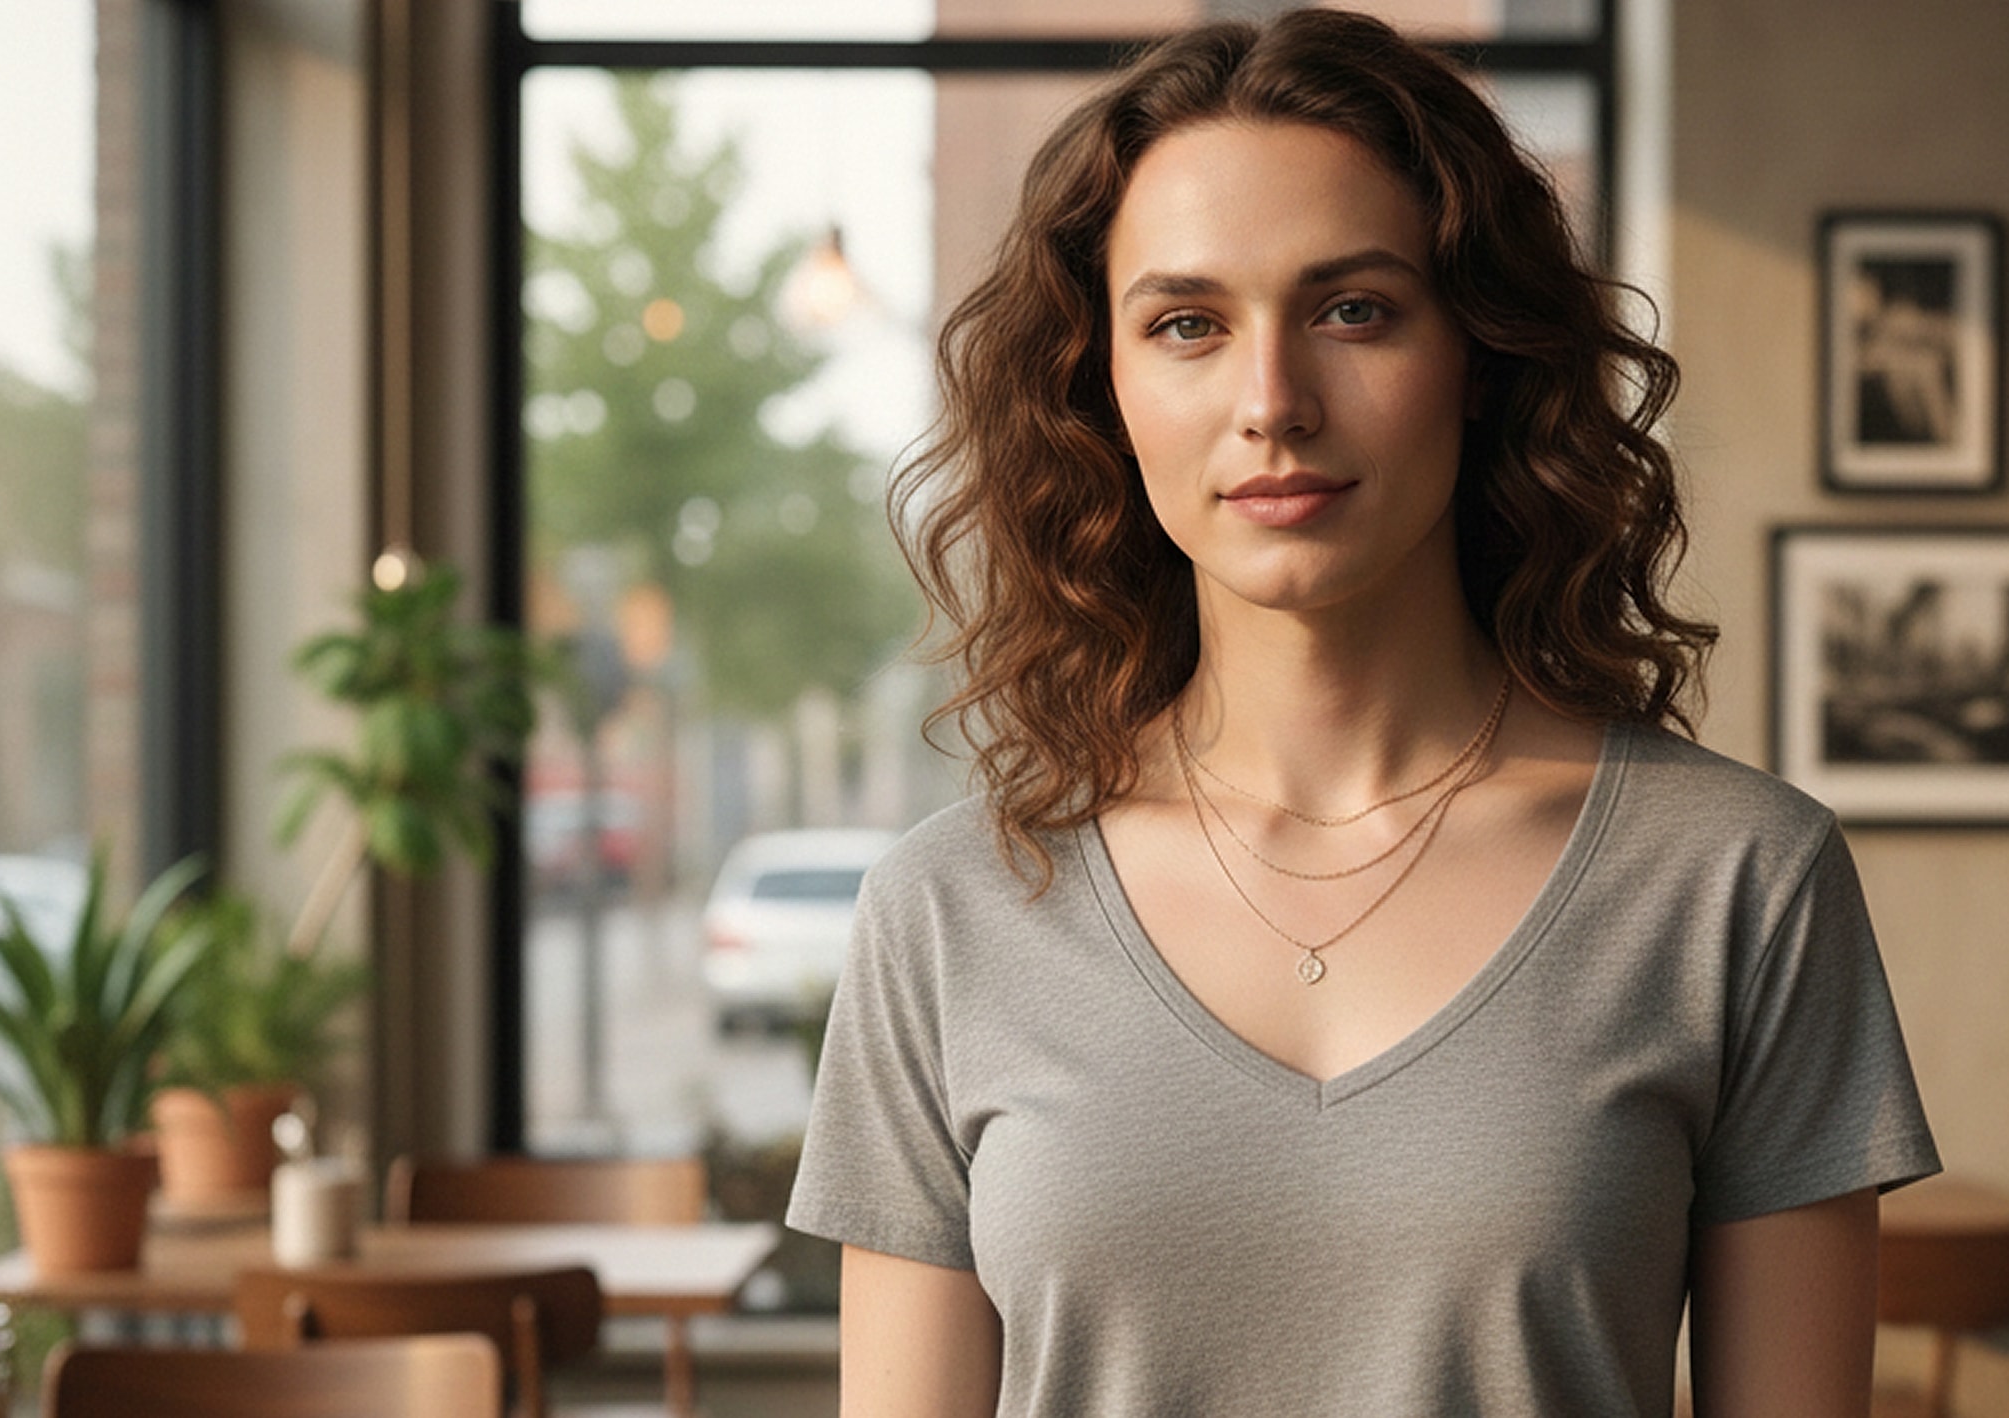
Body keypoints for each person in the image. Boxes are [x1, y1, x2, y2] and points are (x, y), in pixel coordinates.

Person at [787, 10, 1938, 1416]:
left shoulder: (1738, 881)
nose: (1272, 401)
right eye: (1188, 324)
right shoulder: (950, 912)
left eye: (1354, 310)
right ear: (1109, 390)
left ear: (1481, 360)